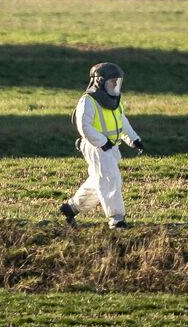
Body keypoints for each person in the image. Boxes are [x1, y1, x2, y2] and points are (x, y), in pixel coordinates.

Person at [58, 61, 144, 229]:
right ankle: (117, 220)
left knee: (99, 180)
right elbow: (84, 126)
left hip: (111, 148)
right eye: (112, 81)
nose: (115, 84)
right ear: (99, 81)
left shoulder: (115, 100)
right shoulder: (88, 100)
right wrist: (102, 142)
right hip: (96, 147)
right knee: (111, 179)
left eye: (117, 81)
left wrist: (133, 139)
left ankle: (71, 207)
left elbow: (122, 121)